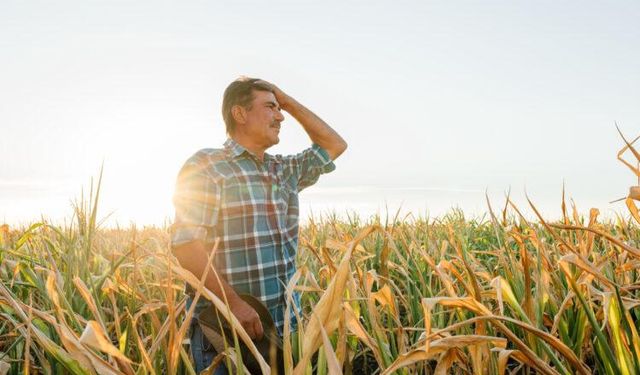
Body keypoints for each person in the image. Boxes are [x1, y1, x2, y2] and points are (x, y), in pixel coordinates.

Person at [170, 77, 347, 373]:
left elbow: (334, 144)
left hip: (282, 333)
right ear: (240, 114)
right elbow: (187, 247)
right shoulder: (207, 166)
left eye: (280, 110)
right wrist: (234, 304)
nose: (280, 117)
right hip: (227, 338)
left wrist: (286, 100)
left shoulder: (284, 170)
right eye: (270, 108)